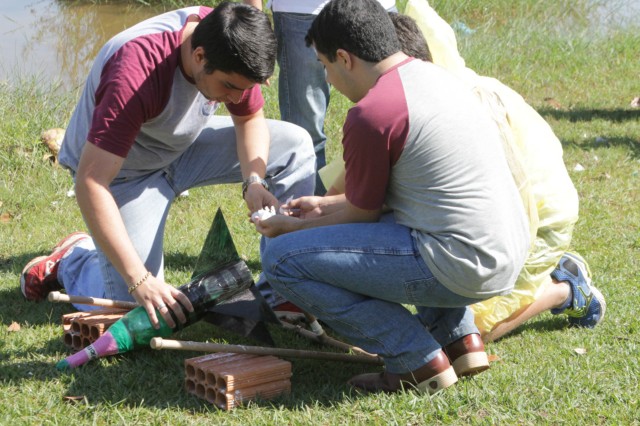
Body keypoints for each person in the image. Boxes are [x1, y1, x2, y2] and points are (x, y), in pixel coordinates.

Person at [253, 0, 530, 394]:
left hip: (460, 262)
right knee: (405, 230)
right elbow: (400, 197)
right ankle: (461, 340)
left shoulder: (373, 112)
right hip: (505, 251)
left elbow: (363, 217)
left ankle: (414, 359)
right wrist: (324, 205)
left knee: (281, 258)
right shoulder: (436, 77)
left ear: (345, 58)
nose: (328, 79)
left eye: (324, 66)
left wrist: (293, 226)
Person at [19, 2, 316, 330]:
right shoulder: (135, 71)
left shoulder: (231, 42)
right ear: (199, 57)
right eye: (229, 87)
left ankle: (281, 290)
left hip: (182, 148)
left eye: (244, 89)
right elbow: (91, 182)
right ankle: (73, 261)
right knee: (141, 308)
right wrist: (138, 279)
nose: (235, 98)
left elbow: (249, 119)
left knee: (296, 147)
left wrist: (254, 181)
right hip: (122, 173)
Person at [321, 4, 606, 342]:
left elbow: (512, 199)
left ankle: (564, 288)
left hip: (536, 220)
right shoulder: (400, 106)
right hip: (483, 228)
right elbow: (346, 189)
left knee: (470, 331)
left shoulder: (445, 108)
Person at [243, 0, 396, 196]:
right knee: (304, 137)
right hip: (301, 11)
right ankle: (308, 216)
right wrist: (256, 26)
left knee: (391, 117)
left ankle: (382, 204)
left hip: (377, 7)